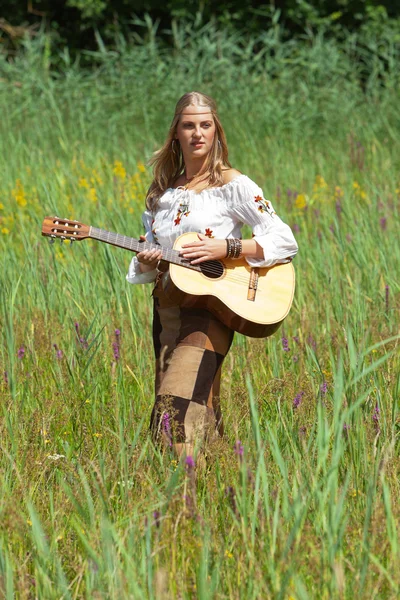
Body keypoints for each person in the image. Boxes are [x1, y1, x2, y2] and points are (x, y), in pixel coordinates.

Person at [126, 91, 298, 458]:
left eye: (205, 125)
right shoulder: (163, 194)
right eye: (188, 126)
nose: (197, 133)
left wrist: (228, 248)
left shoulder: (232, 185)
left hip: (211, 311)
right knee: (196, 410)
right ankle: (216, 487)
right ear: (175, 133)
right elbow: (149, 265)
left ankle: (182, 501)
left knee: (173, 412)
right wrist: (148, 258)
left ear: (216, 130)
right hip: (167, 311)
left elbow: (284, 239)